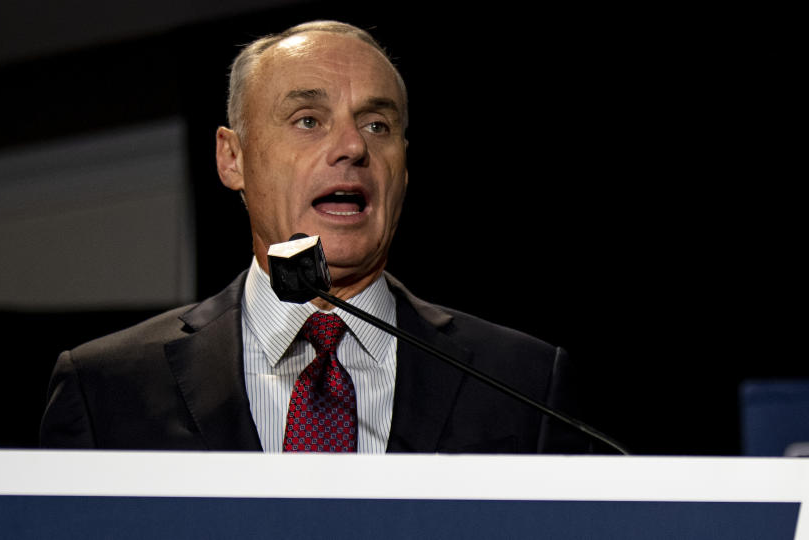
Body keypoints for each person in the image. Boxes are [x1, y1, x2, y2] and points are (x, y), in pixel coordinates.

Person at [40, 20, 586, 453]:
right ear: (232, 158)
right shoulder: (107, 388)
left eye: (378, 125)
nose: (352, 146)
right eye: (308, 120)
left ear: (404, 167)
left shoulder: (520, 382)